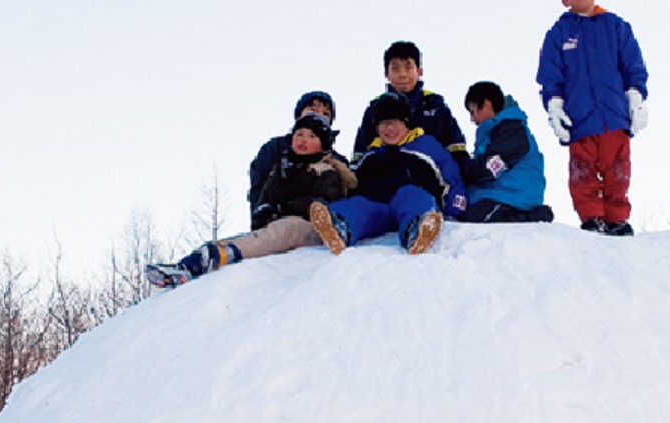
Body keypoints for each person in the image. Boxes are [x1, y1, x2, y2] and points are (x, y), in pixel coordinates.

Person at [146, 113, 356, 288]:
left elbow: (321, 202)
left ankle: (222, 255)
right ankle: (191, 263)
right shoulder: (281, 170)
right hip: (279, 226)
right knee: (256, 235)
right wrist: (264, 212)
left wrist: (282, 208)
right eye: (299, 134)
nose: (303, 140)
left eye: (311, 136)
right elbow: (266, 198)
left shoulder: (329, 171)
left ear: (323, 144)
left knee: (286, 228)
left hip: (312, 229)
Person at [536, 0, 648, 237]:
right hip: (580, 119)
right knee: (582, 172)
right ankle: (592, 217)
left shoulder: (616, 26)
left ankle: (617, 219)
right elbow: (550, 75)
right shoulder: (558, 34)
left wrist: (635, 97)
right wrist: (554, 107)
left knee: (617, 171)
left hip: (614, 116)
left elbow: (633, 65)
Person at [310, 93, 466, 256]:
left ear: (406, 123)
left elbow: (451, 178)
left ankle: (419, 228)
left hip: (409, 202)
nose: (389, 129)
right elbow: (354, 183)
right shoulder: (371, 154)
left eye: (394, 123)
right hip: (378, 208)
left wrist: (455, 210)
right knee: (358, 205)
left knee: (414, 195)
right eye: (384, 124)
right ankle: (338, 225)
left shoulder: (426, 146)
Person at [353, 41, 470, 178]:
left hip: (431, 178)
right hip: (384, 178)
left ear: (419, 71)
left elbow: (455, 146)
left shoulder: (435, 103)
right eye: (395, 69)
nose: (402, 75)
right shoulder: (375, 108)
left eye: (408, 68)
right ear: (386, 73)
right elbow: (359, 153)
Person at [460, 81, 554, 224]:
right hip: (501, 194)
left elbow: (488, 168)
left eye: (473, 112)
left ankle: (530, 217)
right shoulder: (497, 131)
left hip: (512, 196)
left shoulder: (511, 130)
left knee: (476, 217)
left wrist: (464, 169)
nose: (472, 119)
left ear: (486, 105)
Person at [248, 90, 339, 218]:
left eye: (325, 114)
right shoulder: (274, 148)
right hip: (274, 217)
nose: (319, 115)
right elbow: (259, 184)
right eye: (312, 110)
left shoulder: (334, 161)